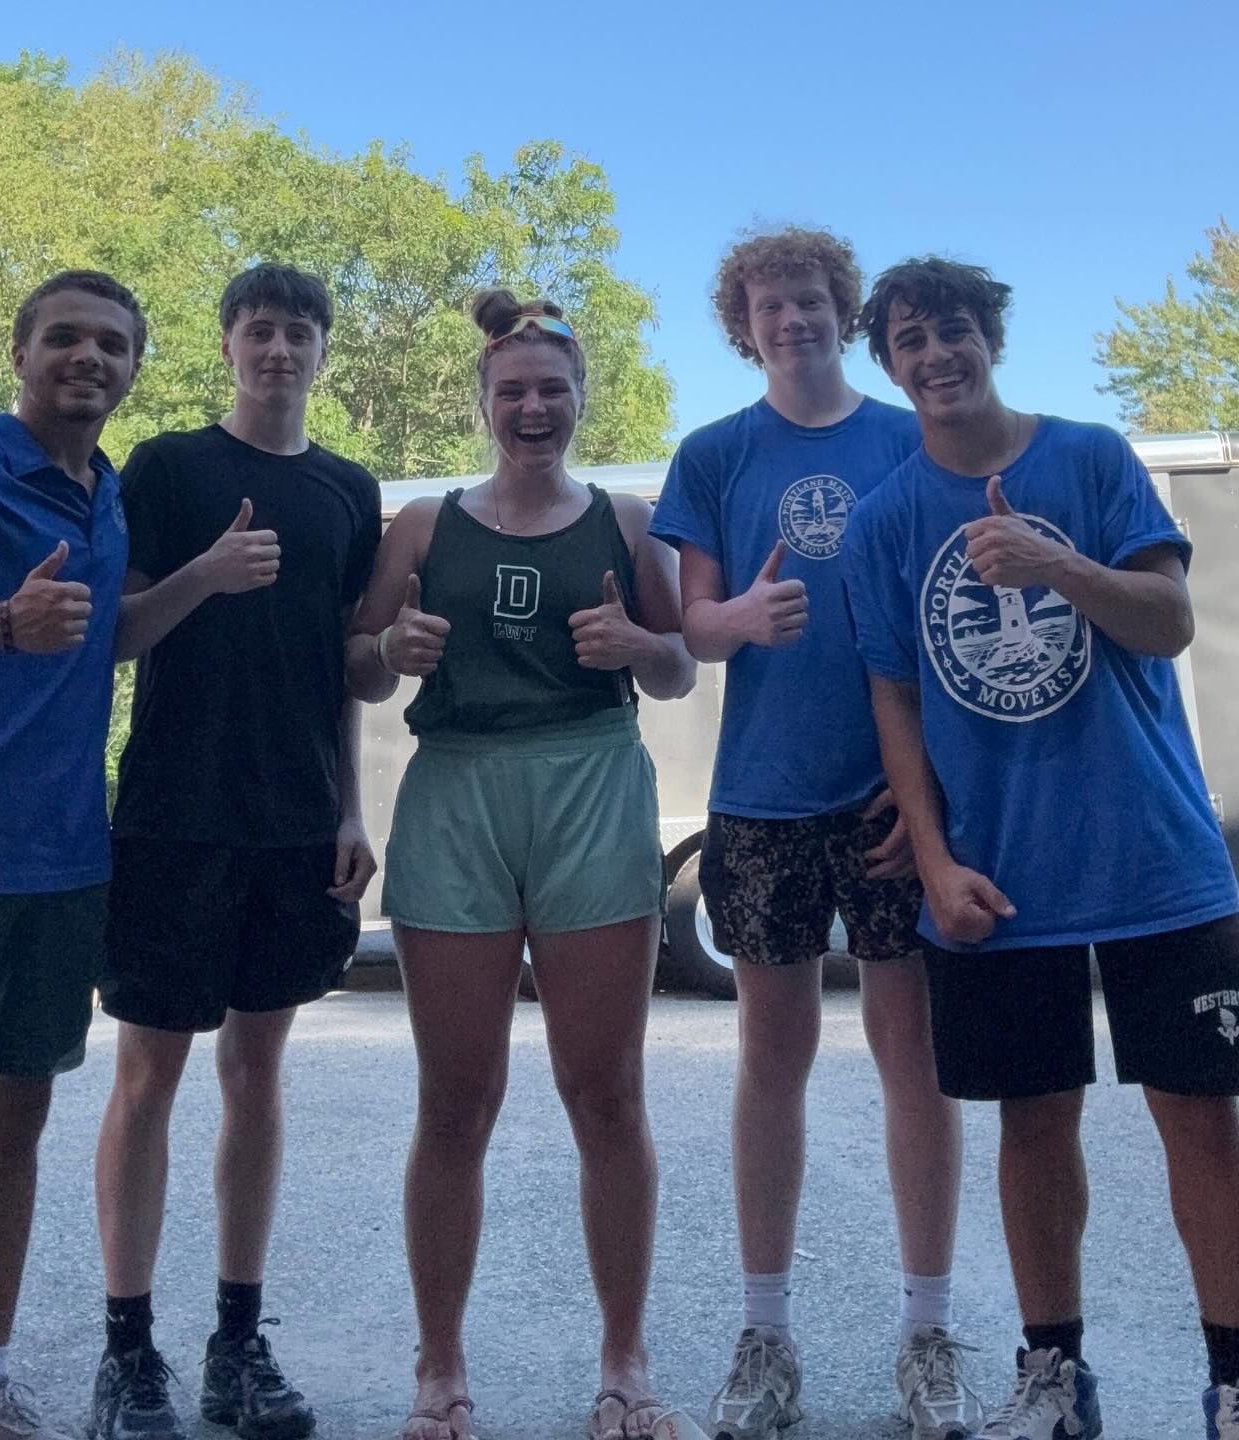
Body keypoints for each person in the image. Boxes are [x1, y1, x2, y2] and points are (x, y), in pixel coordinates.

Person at [0, 270, 282, 1440]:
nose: (90, 358)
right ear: (19, 350)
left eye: (114, 344)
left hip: (67, 859)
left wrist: (199, 581)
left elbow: (101, 636)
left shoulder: (103, 491)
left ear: (134, 366)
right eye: (65, 338)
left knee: (11, 1129)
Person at [844, 255, 1239, 1440]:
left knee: (1205, 1121)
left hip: (1156, 860)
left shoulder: (1092, 456)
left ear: (991, 338)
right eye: (910, 342)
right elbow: (896, 703)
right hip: (1000, 879)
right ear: (893, 365)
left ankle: (1231, 1380)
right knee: (1031, 1124)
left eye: (953, 331)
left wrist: (1060, 566)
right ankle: (1056, 1378)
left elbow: (1169, 624)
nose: (935, 356)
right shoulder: (887, 520)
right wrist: (932, 854)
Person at [345, 289, 695, 1440]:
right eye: (513, 392)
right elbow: (354, 666)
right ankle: (439, 1369)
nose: (533, 407)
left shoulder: (631, 522)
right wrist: (389, 648)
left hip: (593, 782)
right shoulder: (425, 528)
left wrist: (642, 645)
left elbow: (677, 673)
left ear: (582, 400)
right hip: (456, 791)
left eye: (554, 389)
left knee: (607, 1093)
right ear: (484, 404)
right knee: (456, 1098)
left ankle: (626, 1363)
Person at [650, 228, 979, 1440]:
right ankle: (764, 1334)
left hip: (895, 800)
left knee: (916, 1062)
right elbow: (691, 630)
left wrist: (931, 788)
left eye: (809, 300)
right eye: (765, 303)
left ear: (844, 315)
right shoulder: (715, 452)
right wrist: (734, 613)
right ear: (743, 325)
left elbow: (953, 617)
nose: (789, 318)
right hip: (765, 799)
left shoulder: (909, 437)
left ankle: (928, 1332)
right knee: (769, 1065)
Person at [89, 263, 381, 1440]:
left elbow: (348, 669)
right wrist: (206, 575)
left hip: (297, 821)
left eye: (298, 331)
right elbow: (111, 636)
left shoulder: (347, 490)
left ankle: (235, 1341)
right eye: (259, 330)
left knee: (257, 1078)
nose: (278, 350)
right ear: (227, 346)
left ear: (321, 351)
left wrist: (353, 808)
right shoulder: (166, 467)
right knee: (148, 1077)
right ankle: (128, 1352)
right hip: (172, 817)